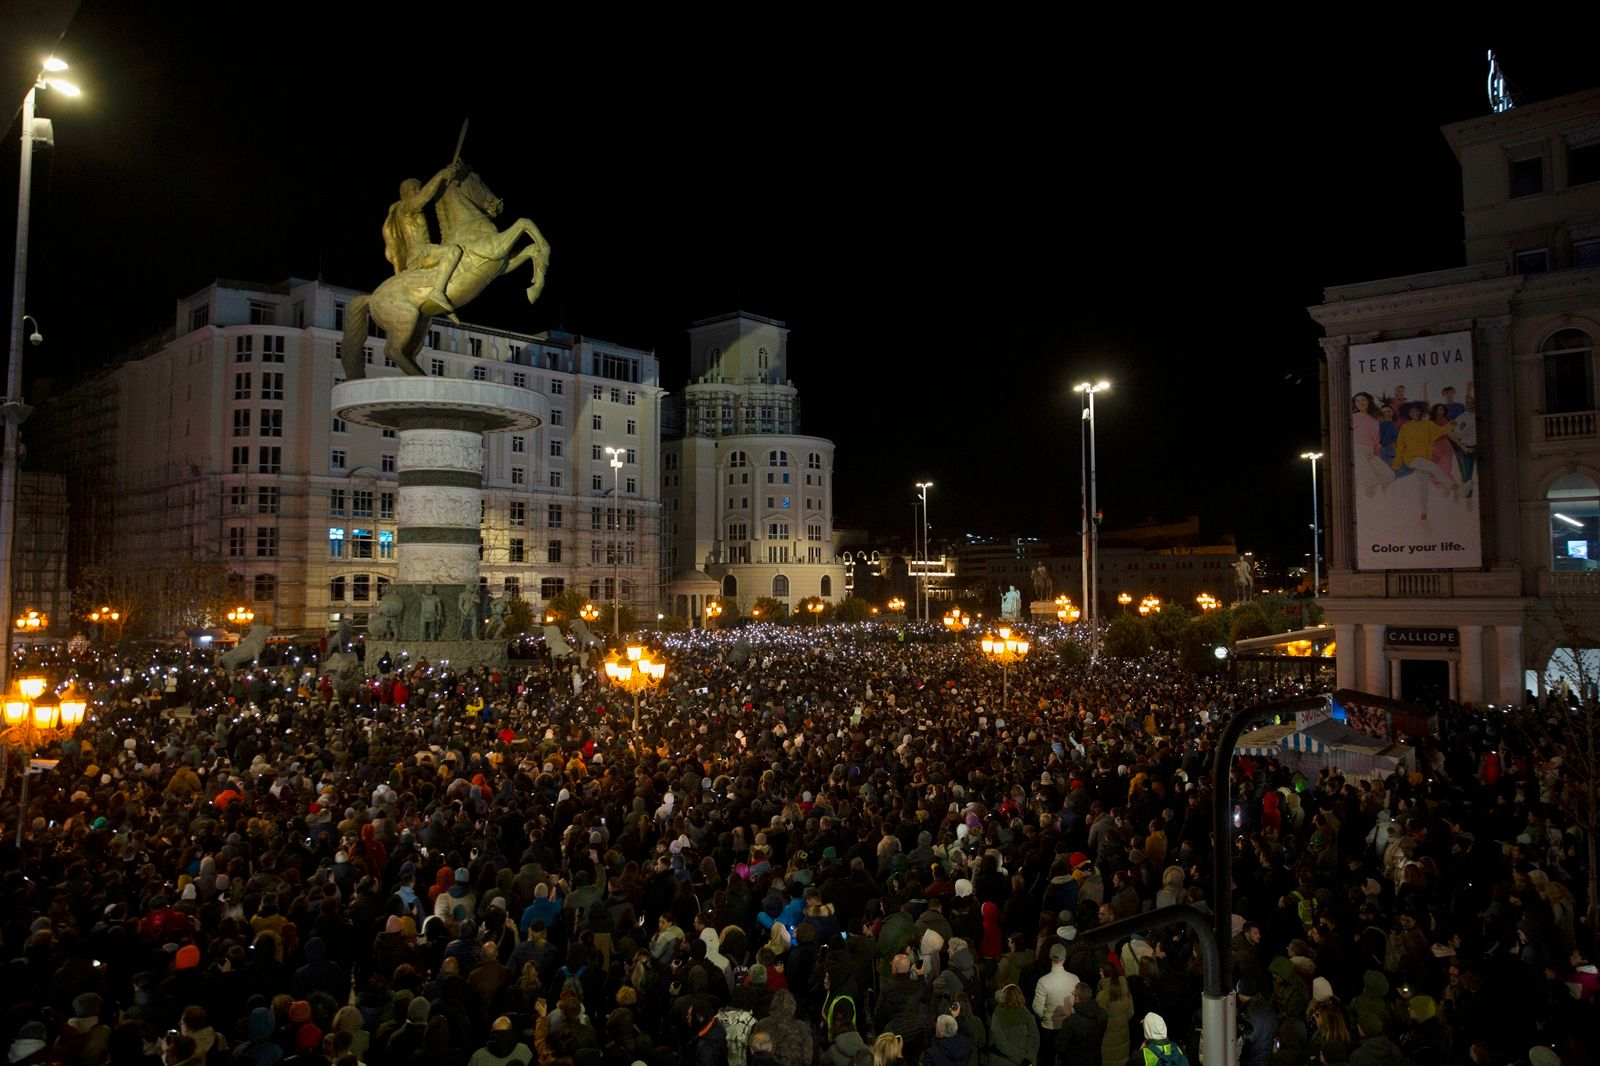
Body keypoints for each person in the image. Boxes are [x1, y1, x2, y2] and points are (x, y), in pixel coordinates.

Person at [383, 160, 466, 320]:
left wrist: (448, 177)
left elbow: (429, 193)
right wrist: (441, 174)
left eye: (418, 188)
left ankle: (443, 300)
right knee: (453, 251)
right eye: (414, 188)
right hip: (421, 253)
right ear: (405, 193)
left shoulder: (408, 209)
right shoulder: (405, 207)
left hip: (424, 251)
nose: (418, 190)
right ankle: (437, 292)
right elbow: (425, 196)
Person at [984, 984, 1038, 1066]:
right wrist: (1028, 1057)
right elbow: (1034, 1037)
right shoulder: (1025, 1012)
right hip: (1025, 1060)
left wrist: (1021, 1058)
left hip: (1003, 1060)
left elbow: (1000, 1042)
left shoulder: (998, 1014)